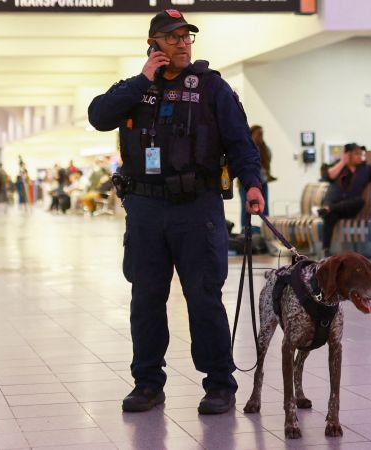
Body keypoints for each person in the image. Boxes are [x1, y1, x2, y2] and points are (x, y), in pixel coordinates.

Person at [88, 9, 264, 414]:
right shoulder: (135, 89)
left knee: (203, 297)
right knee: (146, 297)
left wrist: (251, 183)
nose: (183, 43)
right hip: (146, 207)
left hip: (196, 208)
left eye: (187, 36)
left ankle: (219, 384)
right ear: (153, 45)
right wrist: (141, 79)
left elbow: (240, 144)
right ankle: (148, 383)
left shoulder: (212, 89)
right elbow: (98, 116)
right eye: (173, 37)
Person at [319, 143, 371, 256]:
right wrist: (342, 162)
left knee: (359, 201)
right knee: (330, 216)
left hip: (349, 207)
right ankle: (326, 250)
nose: (360, 156)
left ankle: (328, 208)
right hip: (334, 203)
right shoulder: (338, 166)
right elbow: (328, 176)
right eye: (356, 154)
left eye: (361, 154)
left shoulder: (365, 169)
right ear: (348, 155)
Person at [238, 124, 275, 231]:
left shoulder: (265, 149)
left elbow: (267, 164)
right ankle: (244, 230)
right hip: (246, 184)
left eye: (262, 134)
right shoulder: (247, 148)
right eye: (259, 134)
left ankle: (266, 230)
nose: (261, 136)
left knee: (265, 207)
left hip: (262, 183)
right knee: (246, 207)